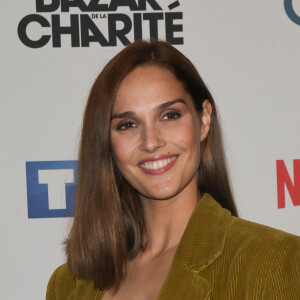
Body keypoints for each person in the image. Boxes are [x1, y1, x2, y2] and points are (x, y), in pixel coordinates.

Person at [46, 40, 300, 300]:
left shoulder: (275, 261)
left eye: (169, 115)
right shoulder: (68, 286)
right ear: (107, 143)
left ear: (203, 120)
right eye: (128, 124)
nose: (151, 141)